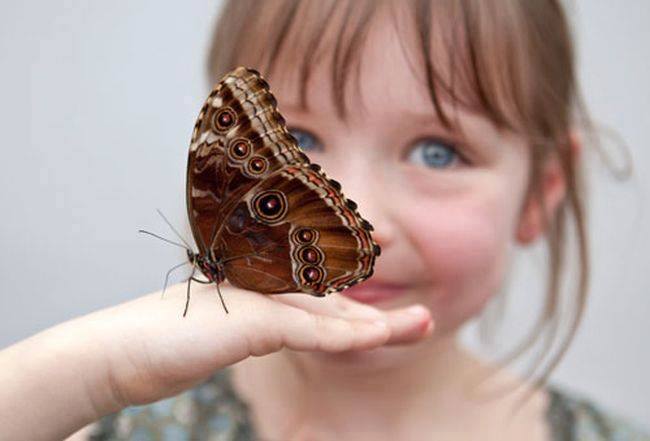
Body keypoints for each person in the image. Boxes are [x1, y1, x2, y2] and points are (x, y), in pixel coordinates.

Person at [0, 1, 647, 440]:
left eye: (437, 151)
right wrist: (96, 373)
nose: (358, 208)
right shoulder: (133, 421)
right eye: (300, 140)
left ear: (539, 193)